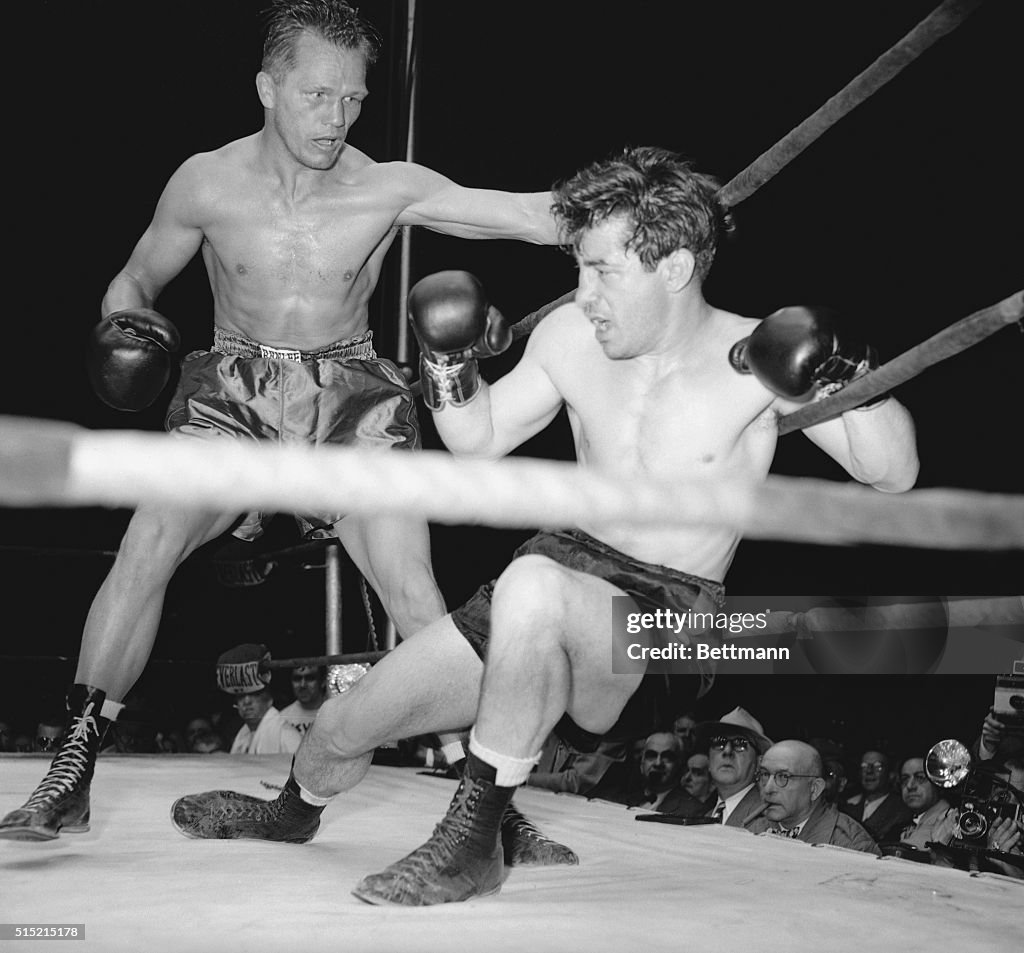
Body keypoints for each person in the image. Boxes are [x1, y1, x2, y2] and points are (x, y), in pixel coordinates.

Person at [0, 0, 559, 841]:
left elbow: (520, 213)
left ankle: (493, 806)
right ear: (267, 87)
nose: (336, 119)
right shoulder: (204, 182)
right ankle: (72, 768)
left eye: (353, 99)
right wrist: (125, 329)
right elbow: (133, 281)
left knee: (414, 589)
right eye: (317, 95)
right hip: (235, 391)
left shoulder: (386, 186)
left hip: (354, 396)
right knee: (148, 541)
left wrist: (631, 210)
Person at [341, 144, 918, 904]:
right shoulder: (570, 340)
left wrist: (849, 377)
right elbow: (477, 437)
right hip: (561, 571)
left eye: (602, 270)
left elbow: (894, 471)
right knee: (345, 726)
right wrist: (450, 364)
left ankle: (473, 838)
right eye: (578, 268)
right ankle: (292, 807)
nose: (581, 293)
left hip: (672, 613)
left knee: (535, 583)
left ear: (673, 268)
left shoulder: (753, 361)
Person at [744, 740, 879, 854]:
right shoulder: (752, 831)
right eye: (764, 775)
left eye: (783, 776)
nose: (768, 789)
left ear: (814, 789)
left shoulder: (851, 847)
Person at [217, 645, 302, 756]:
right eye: (241, 696)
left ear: (269, 700)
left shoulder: (288, 736)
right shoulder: (243, 735)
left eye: (254, 694)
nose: (246, 701)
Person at [698, 707, 772, 826]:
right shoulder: (706, 817)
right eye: (719, 742)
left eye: (740, 744)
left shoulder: (767, 817)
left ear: (759, 763)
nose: (727, 751)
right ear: (708, 761)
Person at [840, 748, 912, 843]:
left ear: (890, 775)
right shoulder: (849, 807)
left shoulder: (901, 810)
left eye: (878, 767)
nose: (869, 771)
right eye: (864, 766)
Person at [278, 666, 328, 736]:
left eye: (309, 678)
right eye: (297, 679)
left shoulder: (335, 713)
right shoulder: (283, 719)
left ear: (323, 681)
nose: (302, 685)